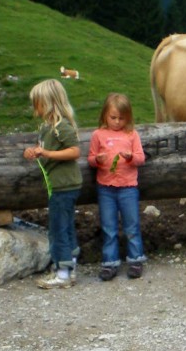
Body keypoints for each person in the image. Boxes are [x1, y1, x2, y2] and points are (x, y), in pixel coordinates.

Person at [23, 79, 82, 289]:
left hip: (64, 186)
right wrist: (34, 152)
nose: (34, 108)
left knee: (57, 230)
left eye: (36, 103)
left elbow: (75, 151)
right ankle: (70, 265)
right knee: (65, 227)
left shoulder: (61, 127)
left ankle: (63, 273)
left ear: (47, 103)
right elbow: (44, 150)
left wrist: (46, 153)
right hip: (58, 186)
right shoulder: (47, 128)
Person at [88, 92, 147, 281]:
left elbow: (141, 158)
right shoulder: (98, 135)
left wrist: (131, 157)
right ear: (105, 115)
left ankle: (136, 259)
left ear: (128, 117)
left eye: (121, 118)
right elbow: (90, 159)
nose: (117, 122)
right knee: (109, 226)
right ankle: (110, 262)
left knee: (131, 225)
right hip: (105, 187)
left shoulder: (131, 134)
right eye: (113, 117)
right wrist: (97, 159)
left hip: (128, 187)